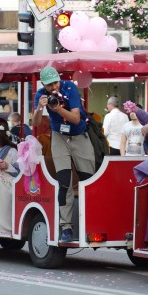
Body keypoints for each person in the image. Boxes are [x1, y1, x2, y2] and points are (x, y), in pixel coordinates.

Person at [33, 66, 95, 243]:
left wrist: (58, 109)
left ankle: (90, 221)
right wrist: (39, 107)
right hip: (59, 137)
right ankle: (66, 226)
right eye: (50, 85)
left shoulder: (69, 87)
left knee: (87, 179)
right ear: (44, 85)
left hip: (79, 135)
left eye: (55, 82)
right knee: (64, 182)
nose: (54, 87)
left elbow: (75, 118)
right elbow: (36, 123)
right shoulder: (41, 94)